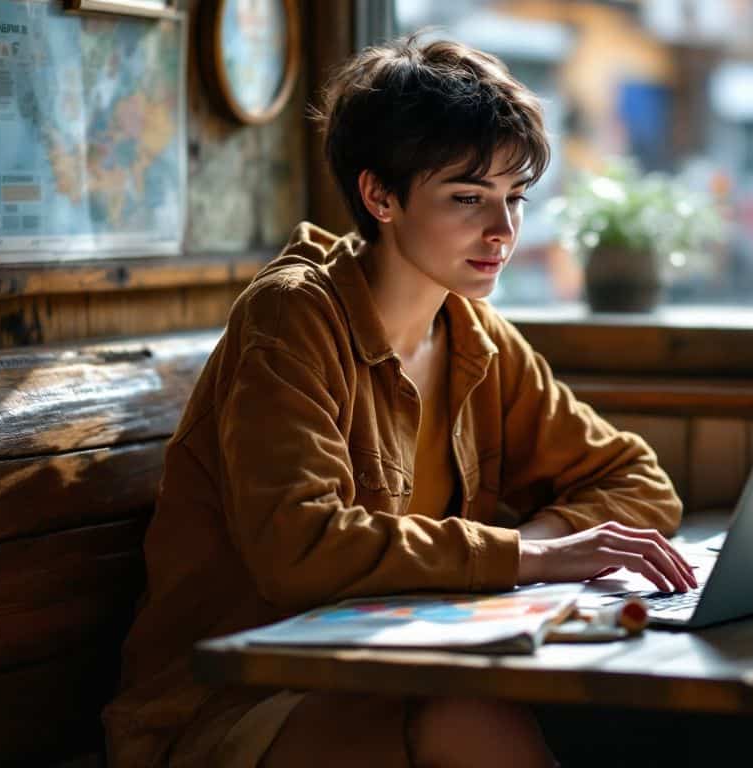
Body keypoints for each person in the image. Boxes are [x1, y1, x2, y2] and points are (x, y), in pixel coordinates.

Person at [102, 34, 695, 768]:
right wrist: (527, 557)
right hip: (236, 702)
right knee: (465, 716)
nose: (503, 232)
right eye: (468, 198)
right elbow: (300, 547)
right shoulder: (292, 318)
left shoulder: (473, 330)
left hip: (397, 669)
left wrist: (538, 545)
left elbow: (638, 482)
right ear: (379, 195)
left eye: (514, 199)